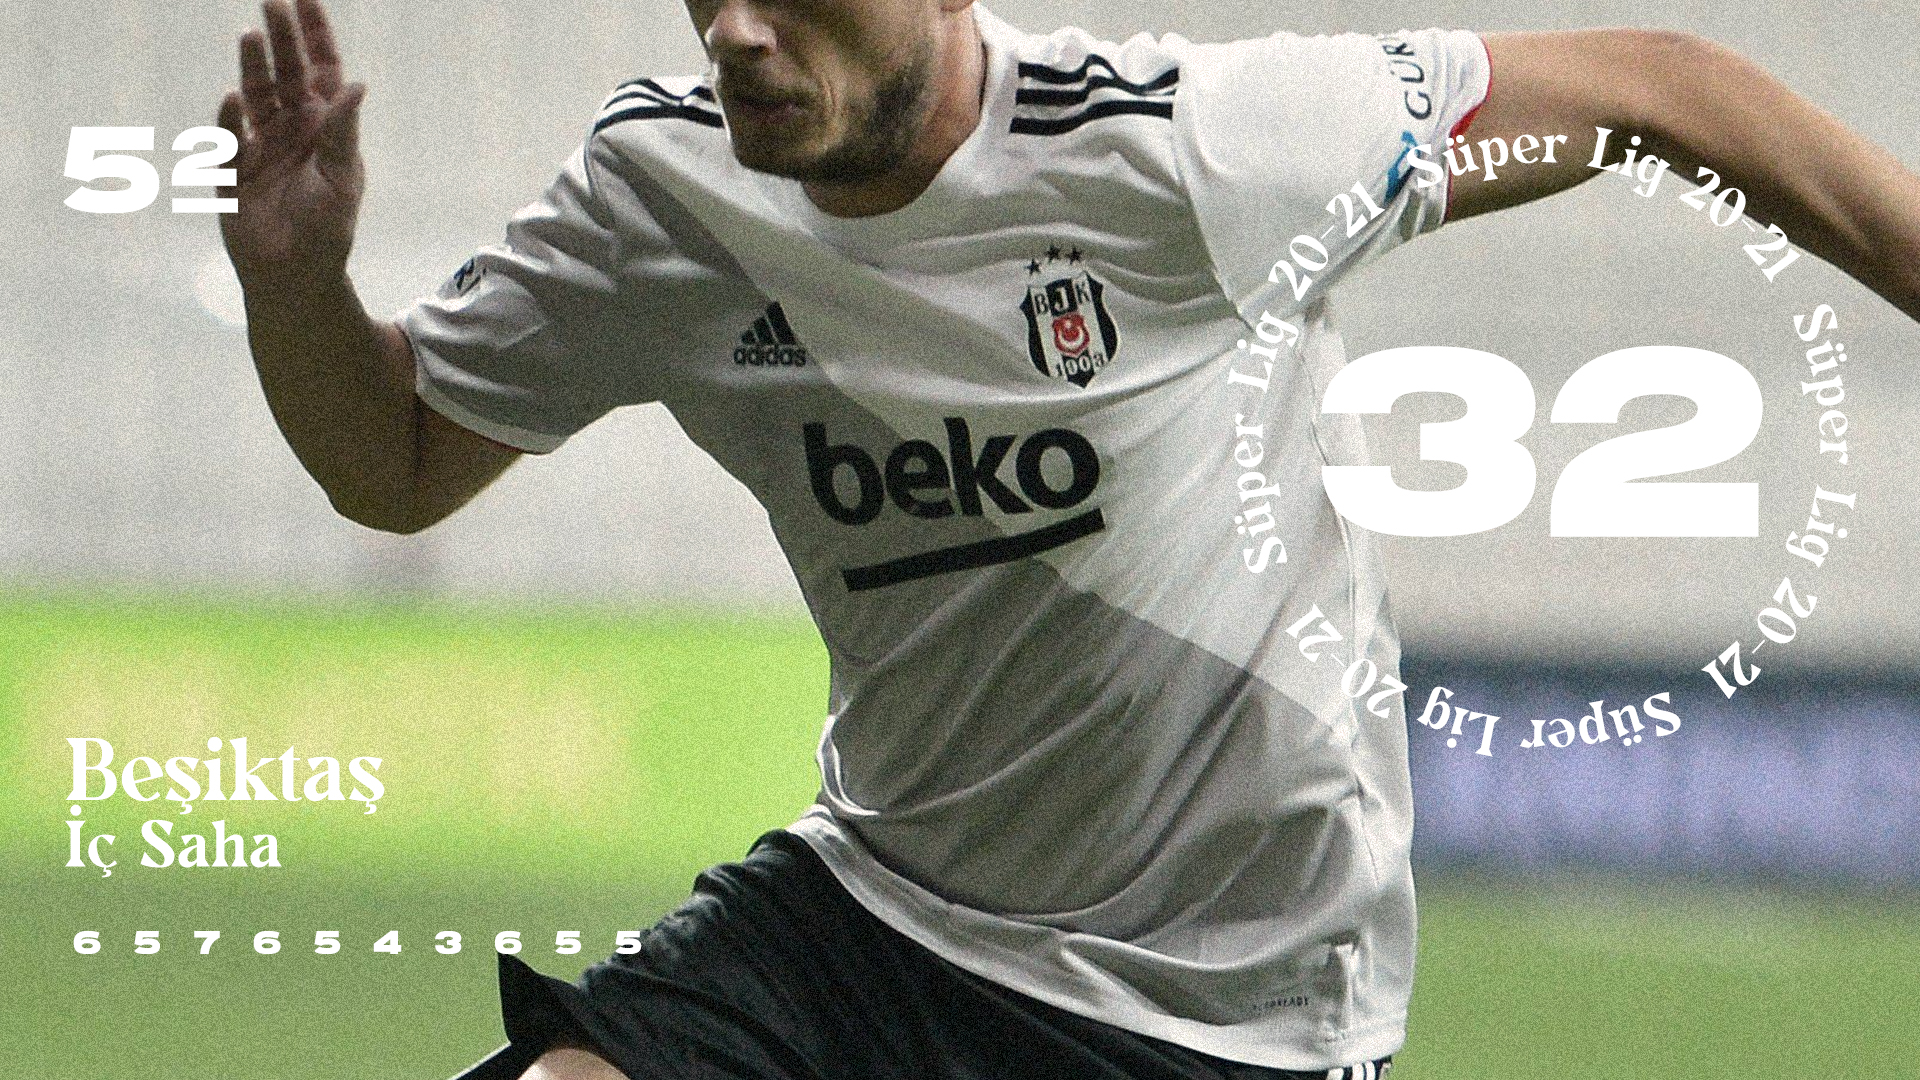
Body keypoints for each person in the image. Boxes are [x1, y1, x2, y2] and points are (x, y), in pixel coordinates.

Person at [215, 0, 1920, 1076]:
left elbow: (1660, 90)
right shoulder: (664, 200)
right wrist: (295, 285)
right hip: (875, 924)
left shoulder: (1193, 153)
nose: (735, 30)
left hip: (1227, 1005)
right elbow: (400, 461)